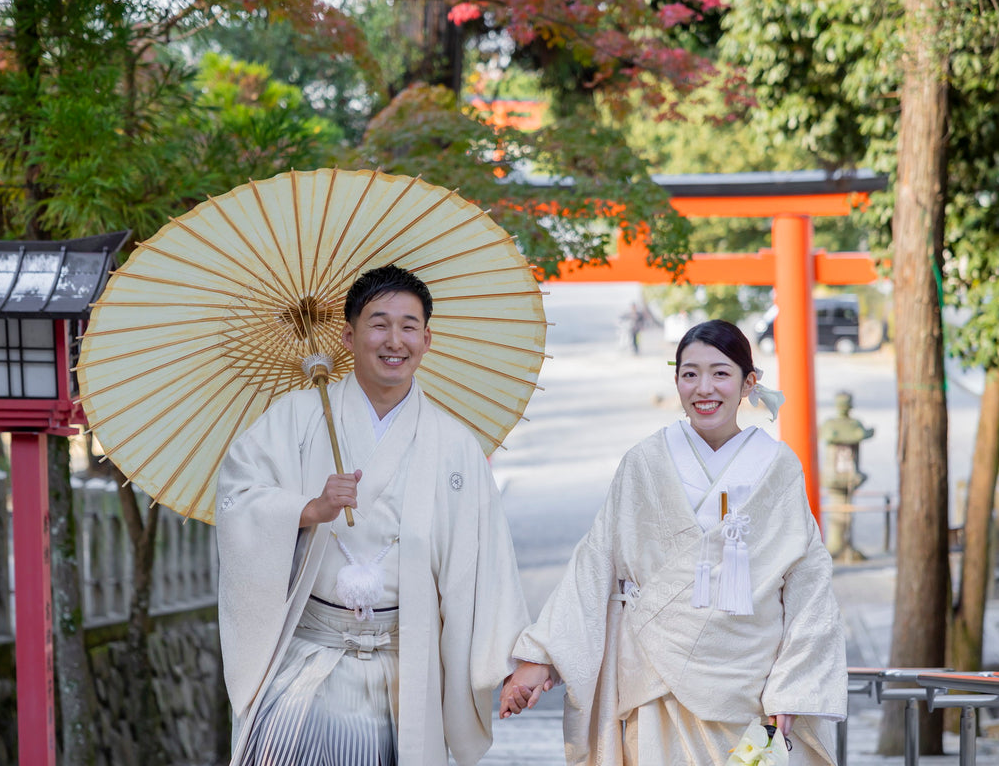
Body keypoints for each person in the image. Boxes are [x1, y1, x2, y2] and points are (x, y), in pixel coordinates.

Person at [216, 264, 531, 766]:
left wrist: (517, 662)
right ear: (347, 335)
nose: (394, 340)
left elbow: (486, 564)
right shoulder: (296, 418)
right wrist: (308, 508)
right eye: (378, 323)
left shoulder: (454, 446)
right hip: (308, 658)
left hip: (406, 666)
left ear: (427, 339)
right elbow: (237, 498)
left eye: (409, 326)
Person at [499, 319, 847, 765]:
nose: (704, 388)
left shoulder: (778, 468)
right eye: (689, 374)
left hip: (750, 682)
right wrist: (541, 655)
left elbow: (809, 584)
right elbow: (595, 560)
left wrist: (793, 684)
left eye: (721, 373)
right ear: (677, 380)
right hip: (655, 675)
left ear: (749, 383)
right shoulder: (645, 461)